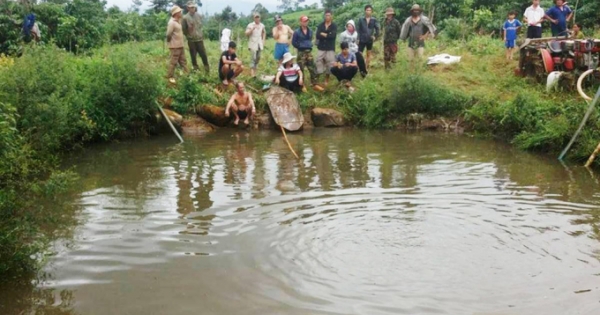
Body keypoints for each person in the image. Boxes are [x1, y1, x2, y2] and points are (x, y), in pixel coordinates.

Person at [292, 15, 319, 87]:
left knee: (312, 67)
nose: (306, 23)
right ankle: (301, 85)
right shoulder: (297, 32)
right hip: (301, 52)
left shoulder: (310, 31)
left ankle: (314, 83)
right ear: (300, 22)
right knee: (300, 68)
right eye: (304, 21)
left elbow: (310, 40)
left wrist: (308, 45)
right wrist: (300, 46)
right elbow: (294, 42)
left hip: (309, 52)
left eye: (307, 21)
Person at [182, 1, 209, 74]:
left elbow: (200, 27)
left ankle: (207, 69)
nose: (192, 9)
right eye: (191, 7)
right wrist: (188, 35)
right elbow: (184, 29)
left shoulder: (199, 16)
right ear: (188, 8)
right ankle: (195, 69)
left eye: (193, 7)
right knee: (193, 55)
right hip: (191, 40)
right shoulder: (185, 18)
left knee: (203, 54)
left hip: (199, 39)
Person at [166, 6, 188, 81]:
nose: (181, 13)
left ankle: (187, 75)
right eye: (179, 12)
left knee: (183, 61)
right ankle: (170, 76)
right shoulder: (171, 23)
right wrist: (170, 42)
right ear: (176, 13)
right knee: (173, 62)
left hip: (180, 45)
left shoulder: (178, 21)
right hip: (175, 46)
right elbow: (168, 34)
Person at [316, 9, 337, 86]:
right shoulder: (321, 25)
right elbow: (317, 35)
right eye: (326, 15)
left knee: (330, 63)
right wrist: (328, 34)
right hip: (321, 47)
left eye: (329, 15)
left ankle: (326, 79)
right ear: (324, 16)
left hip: (330, 47)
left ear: (331, 16)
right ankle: (318, 77)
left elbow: (333, 36)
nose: (327, 17)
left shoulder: (334, 25)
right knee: (318, 61)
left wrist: (324, 34)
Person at [356, 4, 380, 70]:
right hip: (362, 39)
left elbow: (378, 28)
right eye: (367, 10)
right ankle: (360, 67)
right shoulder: (361, 19)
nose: (368, 11)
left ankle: (367, 68)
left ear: (371, 11)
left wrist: (375, 36)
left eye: (370, 10)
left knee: (368, 54)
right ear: (365, 11)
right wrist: (358, 38)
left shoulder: (374, 20)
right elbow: (358, 30)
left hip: (370, 39)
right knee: (359, 54)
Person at [245, 13, 266, 77]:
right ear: (254, 18)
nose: (257, 18)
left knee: (258, 57)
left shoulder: (262, 25)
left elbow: (264, 32)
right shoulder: (250, 25)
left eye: (258, 17)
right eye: (256, 17)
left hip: (259, 44)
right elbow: (246, 33)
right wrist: (252, 29)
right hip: (253, 44)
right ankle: (252, 73)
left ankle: (255, 71)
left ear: (260, 18)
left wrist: (263, 40)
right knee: (253, 58)